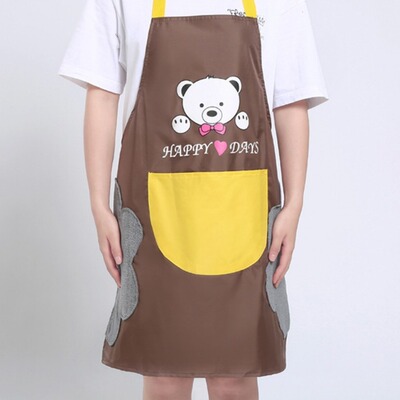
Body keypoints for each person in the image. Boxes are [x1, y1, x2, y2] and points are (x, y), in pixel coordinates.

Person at [58, 0, 329, 399]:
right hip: (154, 212)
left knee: (235, 376)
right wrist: (99, 205)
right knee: (164, 375)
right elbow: (102, 93)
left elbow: (291, 101)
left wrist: (295, 204)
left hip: (244, 214)